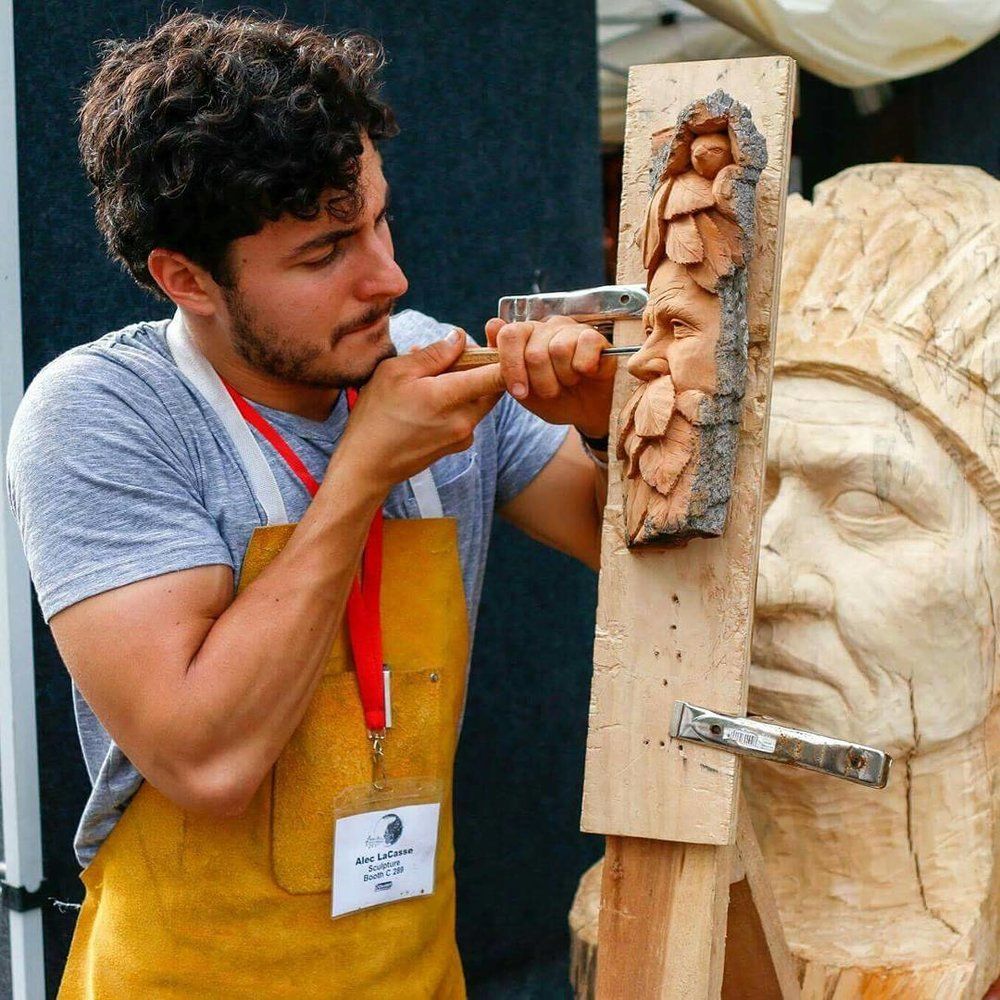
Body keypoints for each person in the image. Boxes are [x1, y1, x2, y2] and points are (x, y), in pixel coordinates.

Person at [5, 12, 616, 998]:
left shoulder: (416, 357)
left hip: (412, 975)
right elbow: (204, 757)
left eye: (378, 217)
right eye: (326, 250)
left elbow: (615, 534)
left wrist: (600, 428)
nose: (390, 275)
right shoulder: (102, 416)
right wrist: (363, 468)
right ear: (185, 277)